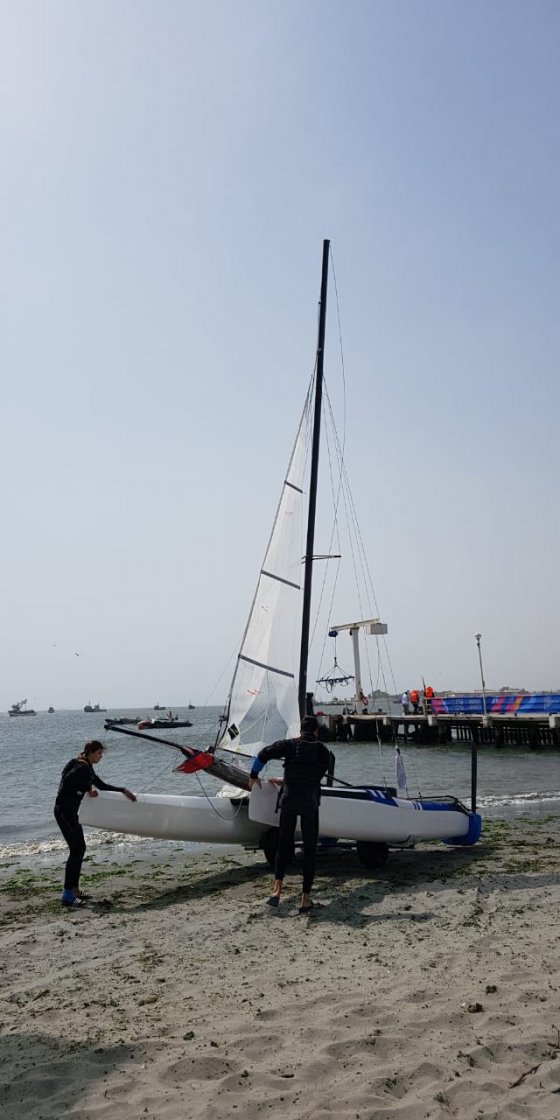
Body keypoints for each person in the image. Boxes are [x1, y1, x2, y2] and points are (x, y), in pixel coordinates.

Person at [248, 715, 331, 914]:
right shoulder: (323, 751)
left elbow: (262, 754)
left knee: (284, 845)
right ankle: (305, 899)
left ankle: (276, 891)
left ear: (300, 732)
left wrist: (253, 776)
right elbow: (313, 776)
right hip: (309, 803)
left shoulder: (288, 745)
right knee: (310, 850)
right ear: (316, 732)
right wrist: (290, 778)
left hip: (289, 801)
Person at [54, 740, 136, 907]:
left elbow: (94, 783)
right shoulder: (82, 767)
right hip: (65, 813)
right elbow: (70, 780)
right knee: (76, 850)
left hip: (66, 812)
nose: (100, 757)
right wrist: (121, 790)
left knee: (79, 848)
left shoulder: (78, 763)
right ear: (90, 752)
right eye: (99, 753)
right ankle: (67, 894)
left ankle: (74, 890)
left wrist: (88, 788)